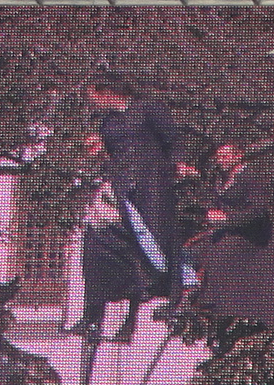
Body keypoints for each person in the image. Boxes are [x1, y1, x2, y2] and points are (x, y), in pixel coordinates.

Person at [70, 76, 187, 344]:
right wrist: (99, 149)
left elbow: (173, 140)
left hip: (152, 186)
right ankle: (92, 314)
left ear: (107, 91)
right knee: (97, 241)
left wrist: (176, 166)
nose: (93, 102)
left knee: (151, 243)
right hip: (122, 187)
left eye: (94, 96)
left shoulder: (148, 108)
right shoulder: (107, 122)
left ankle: (164, 300)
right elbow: (113, 154)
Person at [185, 141, 274, 331]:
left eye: (226, 156)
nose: (221, 160)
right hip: (232, 231)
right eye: (219, 157)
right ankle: (196, 297)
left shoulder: (250, 176)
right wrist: (196, 181)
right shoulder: (222, 179)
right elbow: (215, 201)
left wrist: (228, 219)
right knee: (195, 248)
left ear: (238, 156)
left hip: (253, 235)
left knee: (220, 255)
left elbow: (258, 210)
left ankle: (217, 305)